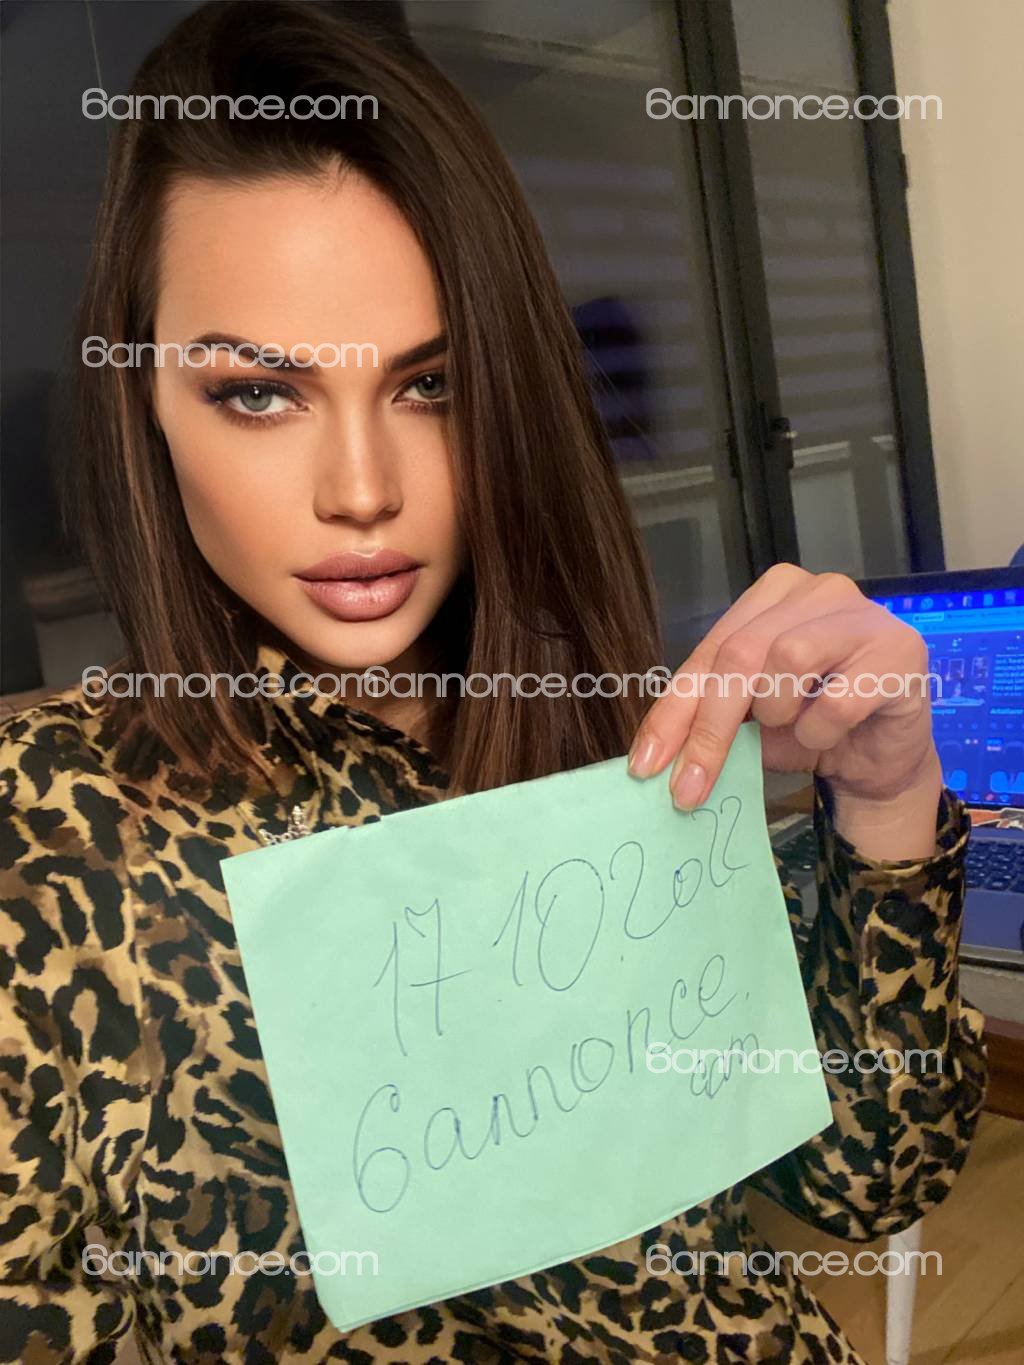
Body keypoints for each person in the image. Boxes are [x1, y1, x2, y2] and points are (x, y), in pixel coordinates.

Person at [0, 3, 986, 1361]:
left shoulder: (610, 727)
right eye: (258, 394)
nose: (362, 491)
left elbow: (869, 1179)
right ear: (144, 404)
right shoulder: (48, 834)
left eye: (432, 385)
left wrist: (884, 806)